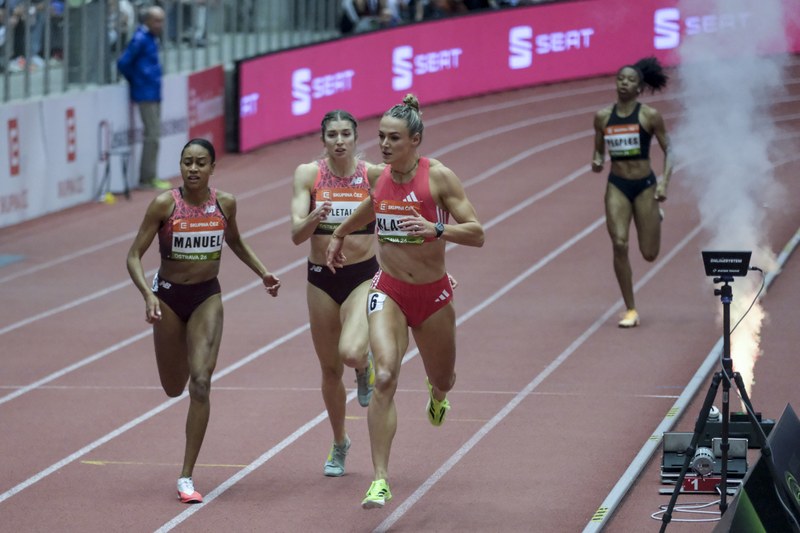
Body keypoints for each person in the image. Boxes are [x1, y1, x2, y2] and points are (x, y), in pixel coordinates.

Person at [325, 94, 484, 509]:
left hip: (432, 295)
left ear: (415, 140)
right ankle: (380, 479)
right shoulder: (378, 176)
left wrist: (437, 230)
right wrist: (340, 233)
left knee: (445, 377)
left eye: (393, 138)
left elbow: (477, 232)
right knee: (386, 377)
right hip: (389, 290)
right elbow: (371, 206)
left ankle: (438, 395)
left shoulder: (439, 178)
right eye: (381, 136)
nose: (384, 144)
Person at [126, 138, 281, 504]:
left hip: (206, 298)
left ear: (212, 168)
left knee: (200, 383)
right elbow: (133, 256)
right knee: (173, 388)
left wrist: (263, 272)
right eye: (187, 162)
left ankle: (186, 476)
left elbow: (236, 242)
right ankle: (182, 351)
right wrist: (148, 295)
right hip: (167, 297)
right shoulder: (164, 204)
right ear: (180, 166)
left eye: (200, 163)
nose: (193, 169)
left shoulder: (225, 203)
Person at [290, 110, 377, 477]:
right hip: (321, 279)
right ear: (323, 140)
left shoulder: (373, 175)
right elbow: (296, 235)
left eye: (345, 134)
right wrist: (315, 216)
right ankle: (340, 442)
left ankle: (365, 366)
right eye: (332, 135)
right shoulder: (308, 175)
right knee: (329, 370)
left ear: (356, 137)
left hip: (361, 275)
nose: (339, 141)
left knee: (352, 352)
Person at [591, 57, 672, 328]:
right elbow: (598, 152)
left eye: (630, 80)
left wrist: (664, 183)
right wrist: (597, 161)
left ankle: (655, 215)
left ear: (639, 87)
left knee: (649, 253)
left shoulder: (649, 116)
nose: (624, 83)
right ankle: (630, 309)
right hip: (617, 185)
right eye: (620, 79)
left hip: (645, 186)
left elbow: (670, 150)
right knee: (619, 243)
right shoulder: (603, 117)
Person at [117, 5, 170, 190]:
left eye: (162, 21)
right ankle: (147, 177)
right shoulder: (140, 39)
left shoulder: (151, 39)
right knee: (152, 135)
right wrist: (136, 80)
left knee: (154, 135)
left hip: (153, 91)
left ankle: (150, 175)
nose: (160, 25)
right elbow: (123, 62)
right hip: (145, 92)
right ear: (147, 20)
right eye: (156, 21)